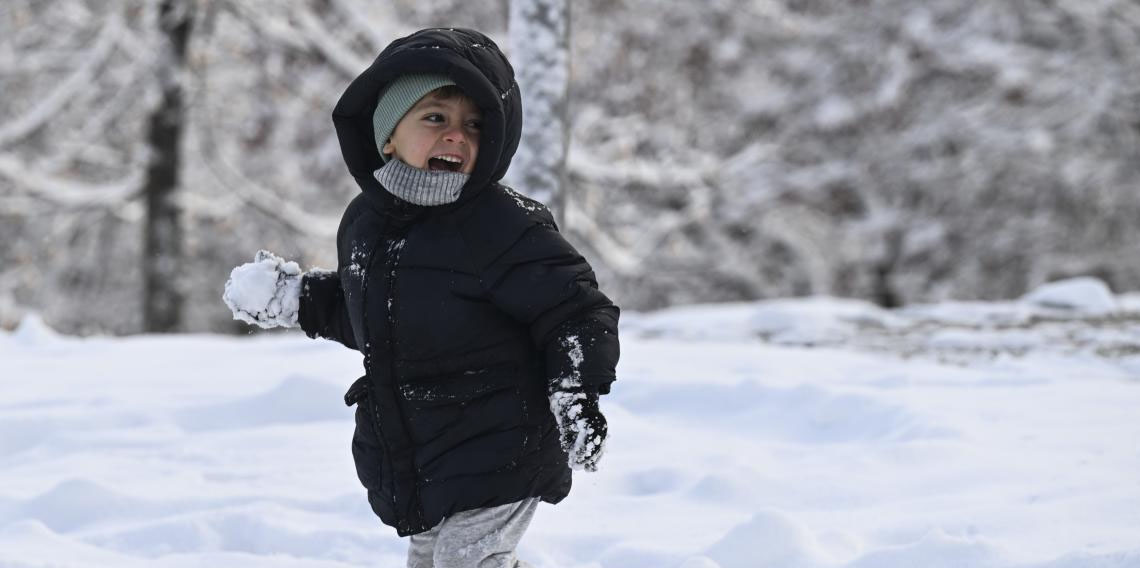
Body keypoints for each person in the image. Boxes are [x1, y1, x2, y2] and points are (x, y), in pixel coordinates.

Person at [222, 27, 620, 568]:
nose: (457, 136)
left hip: (503, 441)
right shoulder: (366, 222)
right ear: (388, 133)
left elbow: (575, 308)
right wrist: (298, 299)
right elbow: (371, 314)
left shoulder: (501, 225)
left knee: (467, 559)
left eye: (474, 125)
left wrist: (575, 391)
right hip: (431, 451)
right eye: (436, 118)